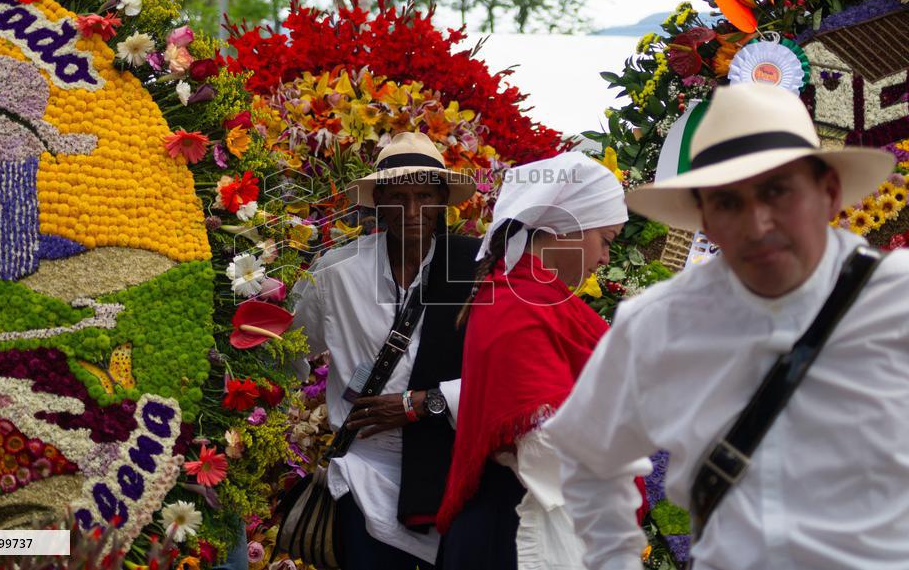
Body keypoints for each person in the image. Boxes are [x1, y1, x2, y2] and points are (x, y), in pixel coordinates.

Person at [544, 82, 907, 570]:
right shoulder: (658, 323)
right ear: (704, 220)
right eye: (727, 203)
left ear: (829, 192)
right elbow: (589, 456)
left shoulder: (898, 299)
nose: (757, 224)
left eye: (776, 191)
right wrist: (614, 561)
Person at [291, 131, 482, 570]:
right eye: (398, 197)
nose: (412, 211)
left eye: (423, 196)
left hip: (450, 473)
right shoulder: (336, 273)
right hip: (365, 472)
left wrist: (427, 403)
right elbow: (288, 355)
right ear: (378, 199)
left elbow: (505, 375)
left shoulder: (475, 273)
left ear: (441, 201)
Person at [435, 151, 629, 570]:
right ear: (565, 229)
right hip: (518, 527)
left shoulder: (536, 300)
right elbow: (544, 444)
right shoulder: (517, 304)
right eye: (606, 240)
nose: (604, 259)